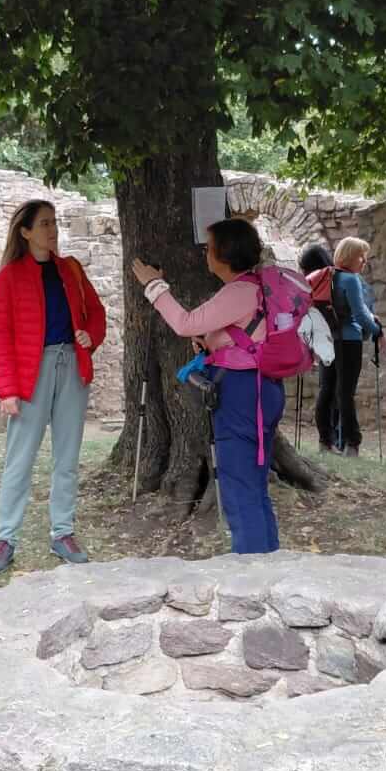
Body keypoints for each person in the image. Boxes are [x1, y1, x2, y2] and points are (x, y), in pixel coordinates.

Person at [132, 218, 287, 554]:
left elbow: (185, 323)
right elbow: (244, 335)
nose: (205, 253)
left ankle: (251, 568)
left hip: (243, 393)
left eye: (209, 248)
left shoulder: (238, 292)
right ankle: (267, 560)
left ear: (224, 254)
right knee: (253, 486)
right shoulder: (255, 287)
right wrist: (214, 344)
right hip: (261, 389)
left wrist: (154, 286)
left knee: (239, 488)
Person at [0, 200, 107, 575]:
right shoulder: (9, 276)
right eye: (43, 224)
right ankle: (6, 538)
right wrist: (6, 390)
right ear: (25, 232)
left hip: (71, 366)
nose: (52, 230)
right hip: (29, 374)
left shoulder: (70, 269)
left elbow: (96, 313)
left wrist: (90, 336)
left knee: (67, 458)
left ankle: (63, 532)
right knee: (19, 460)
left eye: (54, 223)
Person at [314, 236, 381, 458]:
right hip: (348, 341)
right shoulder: (351, 280)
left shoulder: (326, 276)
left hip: (326, 340)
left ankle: (325, 441)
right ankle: (352, 443)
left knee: (326, 390)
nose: (364, 261)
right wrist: (377, 331)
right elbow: (360, 315)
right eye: (361, 256)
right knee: (345, 393)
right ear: (350, 256)